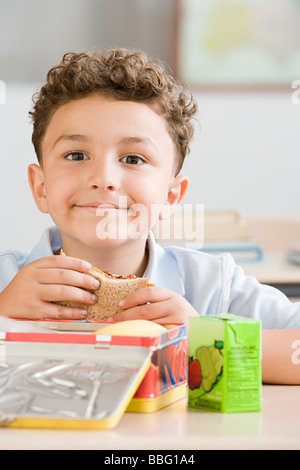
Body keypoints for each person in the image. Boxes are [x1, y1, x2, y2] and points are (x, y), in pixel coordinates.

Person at [0, 48, 299, 384]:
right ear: (40, 187)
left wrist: (207, 340)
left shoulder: (210, 286)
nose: (104, 178)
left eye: (133, 159)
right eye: (76, 154)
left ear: (170, 196)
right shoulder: (7, 280)